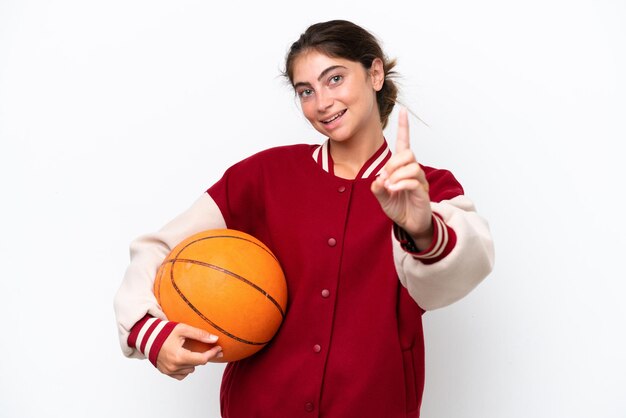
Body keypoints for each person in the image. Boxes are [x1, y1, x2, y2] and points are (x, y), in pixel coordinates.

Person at [114, 19, 495, 418]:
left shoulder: (425, 186)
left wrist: (421, 227)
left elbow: (467, 262)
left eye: (335, 79)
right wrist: (148, 332)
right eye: (306, 91)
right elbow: (158, 248)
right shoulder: (264, 176)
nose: (322, 102)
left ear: (375, 73)